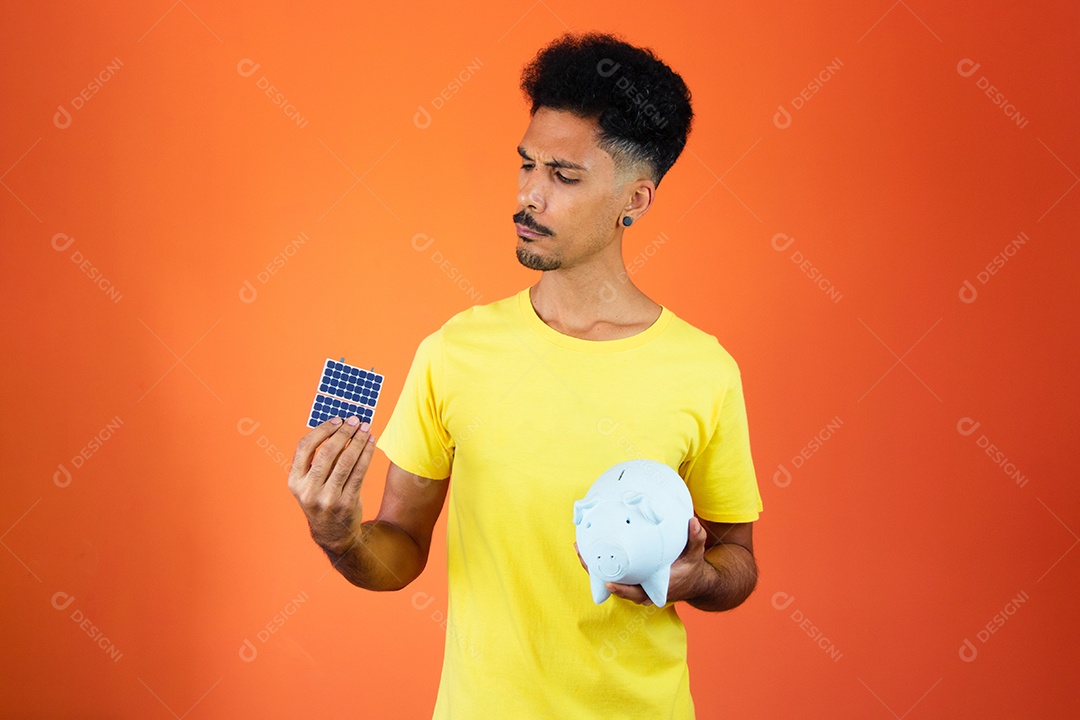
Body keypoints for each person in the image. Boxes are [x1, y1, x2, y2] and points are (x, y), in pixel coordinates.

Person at [288, 31, 763, 719]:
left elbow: (737, 560)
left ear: (635, 200)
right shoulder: (455, 351)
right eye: (527, 165)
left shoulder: (703, 370)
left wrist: (695, 578)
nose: (529, 195)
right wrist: (340, 537)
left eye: (564, 176)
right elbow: (401, 548)